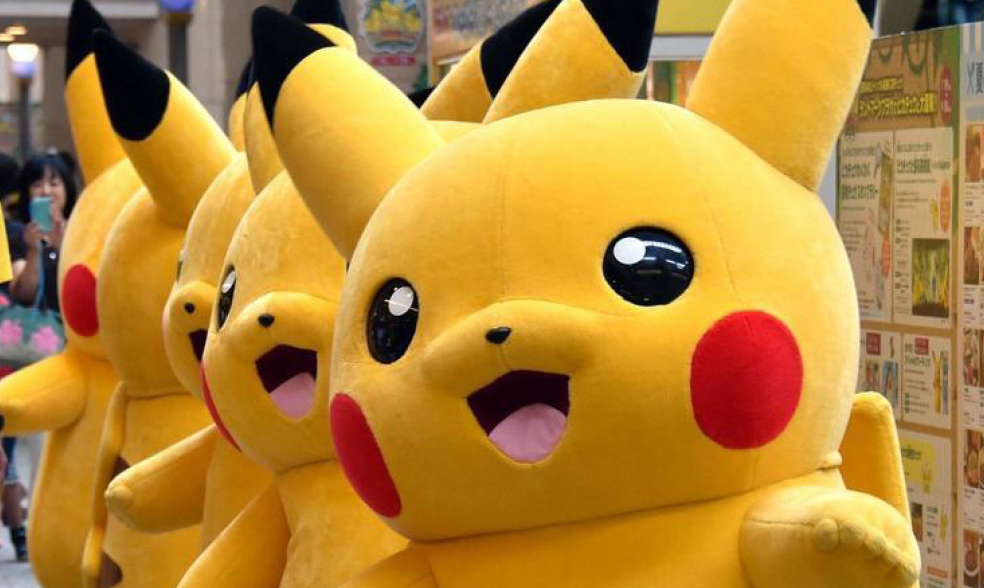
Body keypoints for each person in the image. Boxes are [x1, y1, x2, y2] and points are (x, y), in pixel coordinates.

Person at [9, 152, 77, 310]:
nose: (46, 191)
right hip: (39, 324)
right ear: (27, 193)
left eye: (54, 184)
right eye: (37, 185)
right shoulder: (20, 235)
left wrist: (62, 247)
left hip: (76, 321)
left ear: (67, 188)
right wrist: (34, 250)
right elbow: (26, 295)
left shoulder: (82, 228)